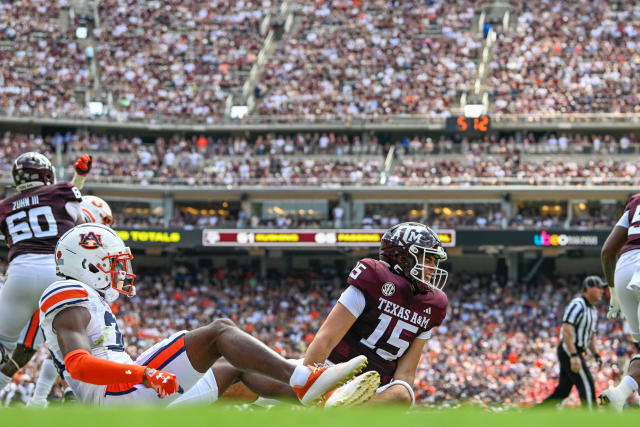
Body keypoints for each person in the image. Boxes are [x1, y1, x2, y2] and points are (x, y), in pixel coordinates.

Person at [39, 223, 374, 406]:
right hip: (118, 398)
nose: (121, 272)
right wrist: (145, 376)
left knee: (233, 368)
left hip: (127, 396)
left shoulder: (87, 297)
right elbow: (77, 364)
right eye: (113, 264)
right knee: (219, 332)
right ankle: (304, 378)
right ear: (87, 264)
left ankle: (322, 402)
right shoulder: (67, 293)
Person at [212, 222, 449, 407]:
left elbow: (406, 372)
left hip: (373, 389)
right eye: (427, 258)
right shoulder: (374, 279)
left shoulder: (433, 304)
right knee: (237, 375)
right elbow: (325, 339)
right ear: (401, 257)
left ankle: (341, 409)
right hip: (331, 371)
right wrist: (311, 382)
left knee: (402, 394)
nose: (433, 268)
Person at [0, 152, 93, 393]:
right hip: (57, 273)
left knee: (4, 344)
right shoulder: (61, 191)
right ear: (46, 173)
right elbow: (78, 226)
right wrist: (78, 179)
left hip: (19, 274)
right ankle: (81, 394)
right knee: (73, 342)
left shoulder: (5, 206)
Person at [599, 194, 640, 410]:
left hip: (624, 268)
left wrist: (613, 293)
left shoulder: (636, 201)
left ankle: (625, 395)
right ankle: (622, 392)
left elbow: (607, 251)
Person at [540, 276, 605, 409]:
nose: (602, 291)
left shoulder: (593, 310)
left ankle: (533, 414)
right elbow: (567, 328)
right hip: (569, 348)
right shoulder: (578, 304)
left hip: (576, 349)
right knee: (587, 384)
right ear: (588, 288)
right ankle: (592, 418)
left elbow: (591, 335)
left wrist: (597, 354)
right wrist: (574, 355)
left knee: (563, 391)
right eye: (598, 288)